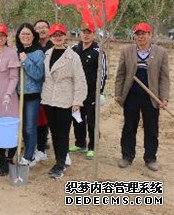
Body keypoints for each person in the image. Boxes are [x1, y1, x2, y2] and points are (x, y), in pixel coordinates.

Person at [115, 22, 170, 172]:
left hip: (151, 97)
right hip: (131, 95)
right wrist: (118, 94)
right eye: (138, 34)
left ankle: (150, 158)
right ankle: (127, 156)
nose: (141, 36)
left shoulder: (161, 53)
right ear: (134, 36)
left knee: (151, 128)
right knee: (129, 127)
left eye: (144, 33)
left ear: (150, 35)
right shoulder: (127, 51)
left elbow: (164, 78)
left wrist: (164, 97)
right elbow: (120, 74)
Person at [41, 23, 87, 179]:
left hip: (65, 100)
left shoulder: (73, 56)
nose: (57, 37)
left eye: (60, 34)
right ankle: (61, 157)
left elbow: (80, 80)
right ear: (51, 37)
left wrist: (77, 101)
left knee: (63, 133)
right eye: (55, 35)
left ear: (65, 36)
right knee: (54, 132)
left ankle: (60, 164)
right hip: (48, 99)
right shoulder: (47, 53)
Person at [70, 23, 107, 159]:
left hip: (92, 92)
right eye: (83, 32)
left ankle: (92, 146)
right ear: (80, 33)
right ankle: (80, 143)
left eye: (89, 32)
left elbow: (103, 73)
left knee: (91, 120)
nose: (86, 35)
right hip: (76, 92)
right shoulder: (73, 49)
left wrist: (100, 91)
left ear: (94, 34)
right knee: (77, 118)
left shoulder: (99, 51)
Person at [0, 24, 20, 176]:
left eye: (3, 35)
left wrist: (8, 93)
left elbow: (14, 77)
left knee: (10, 131)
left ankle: (9, 160)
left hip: (8, 99)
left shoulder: (12, 53)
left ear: (6, 38)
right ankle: (0, 158)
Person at [15, 23, 45, 166]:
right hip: (19, 95)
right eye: (23, 34)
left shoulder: (38, 53)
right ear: (18, 37)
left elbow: (38, 75)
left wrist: (26, 61)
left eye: (28, 34)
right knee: (23, 126)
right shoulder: (18, 51)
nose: (25, 36)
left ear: (34, 36)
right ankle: (29, 152)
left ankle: (28, 156)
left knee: (30, 127)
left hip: (32, 95)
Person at [34, 19, 53, 163]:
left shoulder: (55, 46)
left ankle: (43, 143)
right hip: (35, 88)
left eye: (44, 27)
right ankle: (37, 145)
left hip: (51, 88)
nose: (41, 30)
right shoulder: (32, 46)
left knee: (48, 118)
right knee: (37, 118)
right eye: (38, 28)